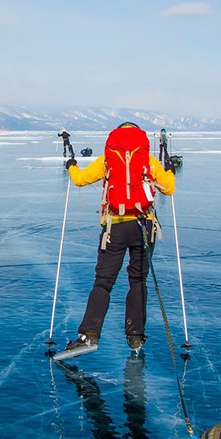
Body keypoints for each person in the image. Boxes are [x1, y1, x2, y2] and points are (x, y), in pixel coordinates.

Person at [59, 123, 176, 358]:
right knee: (138, 280)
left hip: (116, 227)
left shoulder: (107, 159)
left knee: (103, 281)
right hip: (144, 226)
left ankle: (89, 335)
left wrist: (72, 166)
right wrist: (170, 169)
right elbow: (168, 188)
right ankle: (135, 336)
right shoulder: (147, 161)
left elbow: (81, 180)